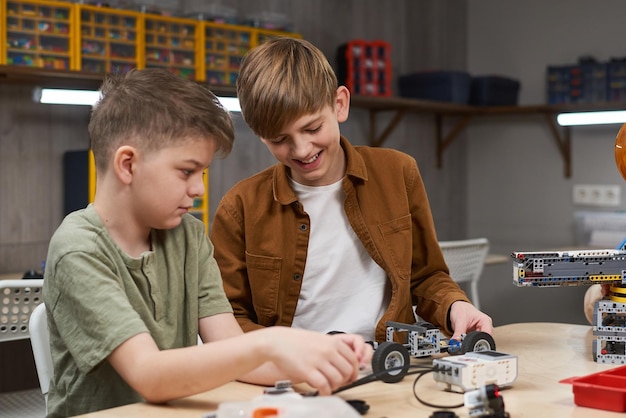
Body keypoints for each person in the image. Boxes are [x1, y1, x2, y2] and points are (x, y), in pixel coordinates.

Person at [42, 68, 372, 418]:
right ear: (128, 164)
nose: (199, 189)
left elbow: (234, 352)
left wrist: (320, 354)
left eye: (201, 173)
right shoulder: (79, 249)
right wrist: (271, 342)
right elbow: (149, 375)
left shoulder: (188, 235)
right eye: (187, 171)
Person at [210, 37, 493, 344]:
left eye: (312, 128)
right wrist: (289, 352)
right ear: (261, 136)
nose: (302, 149)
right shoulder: (239, 207)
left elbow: (427, 276)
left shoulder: (398, 172)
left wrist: (456, 305)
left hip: (387, 363)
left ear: (339, 104)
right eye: (280, 139)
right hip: (295, 375)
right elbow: (229, 316)